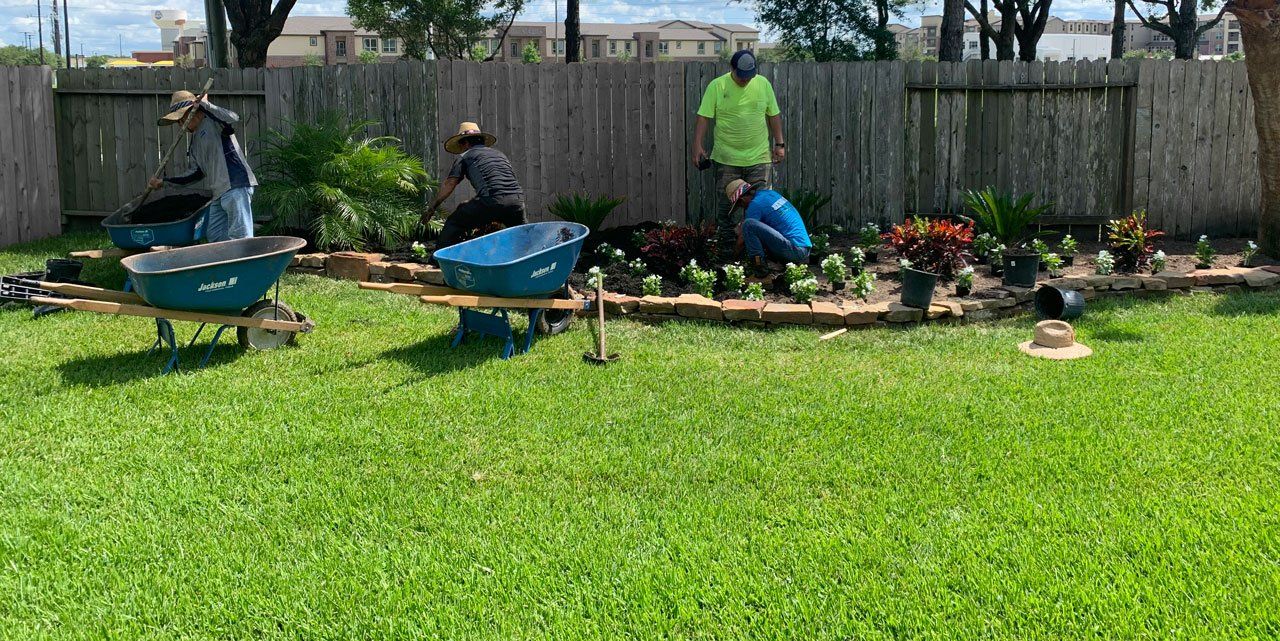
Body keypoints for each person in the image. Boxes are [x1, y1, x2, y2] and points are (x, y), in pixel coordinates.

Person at [691, 50, 786, 241]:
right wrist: (697, 145)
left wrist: (780, 143)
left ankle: (757, 254)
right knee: (727, 211)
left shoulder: (763, 84)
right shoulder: (717, 86)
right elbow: (704, 117)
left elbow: (773, 114)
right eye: (741, 76)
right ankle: (727, 255)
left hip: (759, 159)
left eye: (749, 77)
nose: (745, 80)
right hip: (727, 160)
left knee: (762, 209)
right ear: (731, 69)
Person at [149, 90, 257, 242]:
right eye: (178, 121)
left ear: (195, 112)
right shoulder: (194, 144)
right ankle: (223, 264)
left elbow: (234, 118)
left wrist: (206, 105)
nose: (181, 124)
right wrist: (164, 182)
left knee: (240, 236)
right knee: (215, 235)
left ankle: (247, 263)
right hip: (219, 192)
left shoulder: (215, 122)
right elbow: (195, 173)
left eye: (182, 118)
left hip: (236, 185)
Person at [424, 121, 526, 250]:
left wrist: (432, 207)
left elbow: (450, 184)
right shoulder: (499, 155)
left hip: (492, 201)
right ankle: (531, 261)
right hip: (517, 201)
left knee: (454, 223)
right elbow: (500, 184)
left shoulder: (465, 156)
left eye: (461, 145)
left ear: (465, 143)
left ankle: (438, 261)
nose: (461, 149)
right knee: (522, 236)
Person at [727, 179, 810, 270]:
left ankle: (760, 269)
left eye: (740, 206)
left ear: (742, 200)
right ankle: (775, 263)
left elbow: (743, 237)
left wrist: (733, 259)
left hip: (795, 250)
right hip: (803, 248)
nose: (743, 208)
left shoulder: (754, 204)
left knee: (748, 224)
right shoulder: (769, 194)